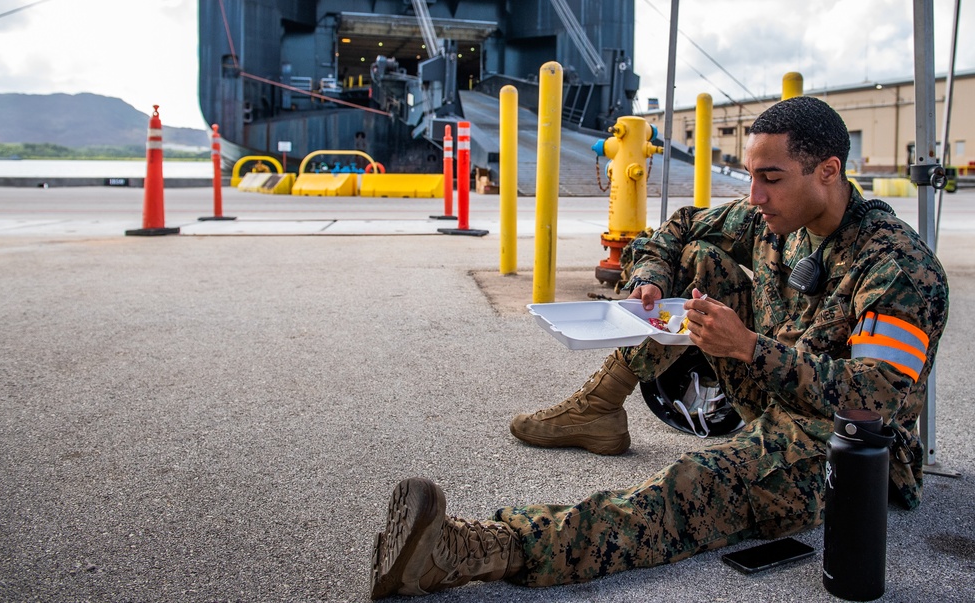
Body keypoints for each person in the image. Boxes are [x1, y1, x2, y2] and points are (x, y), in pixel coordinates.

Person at [369, 96, 949, 598]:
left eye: (770, 178)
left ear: (827, 171)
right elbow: (678, 228)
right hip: (772, 387)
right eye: (750, 175)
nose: (755, 195)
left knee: (689, 487)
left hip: (841, 448)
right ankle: (600, 406)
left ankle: (471, 551)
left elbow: (878, 399)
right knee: (699, 262)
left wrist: (749, 349)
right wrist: (650, 275)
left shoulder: (895, 266)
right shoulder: (778, 221)